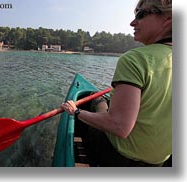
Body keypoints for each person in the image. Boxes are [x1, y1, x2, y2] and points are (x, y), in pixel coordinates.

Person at [61, 0, 172, 167]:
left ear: (168, 19)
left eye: (141, 14)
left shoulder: (136, 59)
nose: (132, 22)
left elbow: (119, 126)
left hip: (120, 158)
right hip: (158, 163)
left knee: (96, 100)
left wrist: (75, 112)